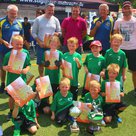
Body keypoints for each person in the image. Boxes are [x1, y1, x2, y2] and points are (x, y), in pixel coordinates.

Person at [3, 35, 31, 121]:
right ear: (12, 44)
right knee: (11, 98)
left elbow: (28, 65)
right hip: (11, 80)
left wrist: (26, 69)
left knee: (21, 97)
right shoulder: (8, 55)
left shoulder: (25, 53)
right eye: (17, 44)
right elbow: (3, 67)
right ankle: (11, 111)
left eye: (21, 44)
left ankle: (21, 111)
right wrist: (6, 68)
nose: (19, 46)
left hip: (21, 80)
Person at [31, 3, 61, 77]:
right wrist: (39, 42)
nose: (51, 12)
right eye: (49, 10)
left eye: (52, 10)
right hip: (41, 45)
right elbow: (33, 32)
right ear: (45, 10)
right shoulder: (38, 19)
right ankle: (41, 78)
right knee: (41, 64)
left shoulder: (55, 20)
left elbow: (60, 32)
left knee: (52, 63)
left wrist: (57, 34)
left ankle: (52, 80)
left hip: (52, 46)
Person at [114, 1, 136, 95]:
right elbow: (115, 34)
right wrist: (114, 47)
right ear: (122, 9)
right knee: (116, 69)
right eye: (125, 8)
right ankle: (116, 88)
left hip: (133, 48)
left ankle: (135, 89)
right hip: (121, 48)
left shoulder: (135, 21)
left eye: (128, 8)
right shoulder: (118, 21)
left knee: (134, 70)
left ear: (131, 9)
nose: (126, 9)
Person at [0, 4, 24, 93]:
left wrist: (20, 46)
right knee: (3, 68)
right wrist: (3, 41)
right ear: (7, 12)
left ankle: (12, 86)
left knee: (14, 68)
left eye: (15, 14)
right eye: (12, 13)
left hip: (15, 51)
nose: (14, 15)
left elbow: (22, 36)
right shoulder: (1, 22)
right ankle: (2, 84)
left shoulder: (19, 24)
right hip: (3, 49)